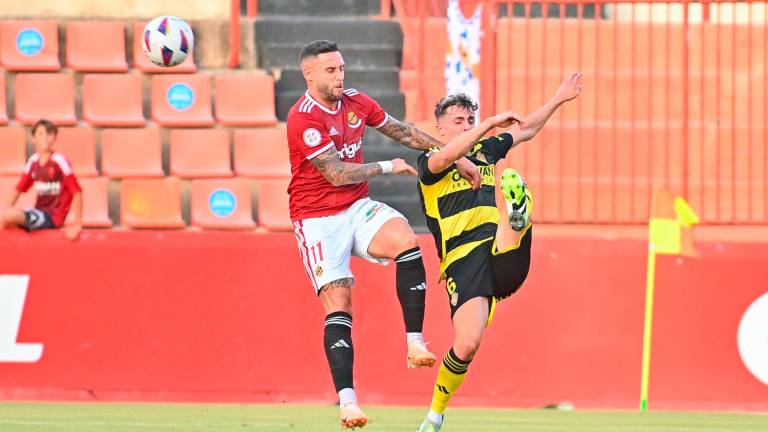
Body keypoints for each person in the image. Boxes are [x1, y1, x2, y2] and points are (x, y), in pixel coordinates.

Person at [287, 39, 482, 429]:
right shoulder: (302, 118)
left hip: (355, 207)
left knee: (407, 243)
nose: (340, 76)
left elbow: (404, 132)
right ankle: (348, 402)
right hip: (316, 219)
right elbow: (336, 172)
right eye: (330, 70)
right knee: (340, 304)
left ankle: (414, 342)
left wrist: (455, 155)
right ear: (309, 74)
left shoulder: (356, 102)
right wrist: (387, 167)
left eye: (341, 68)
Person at [414, 73, 583, 432]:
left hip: (498, 245)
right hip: (462, 259)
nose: (466, 126)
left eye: (470, 120)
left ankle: (519, 213)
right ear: (440, 129)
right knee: (467, 343)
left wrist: (556, 100)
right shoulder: (431, 162)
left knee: (512, 219)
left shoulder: (486, 152)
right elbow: (446, 157)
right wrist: (489, 123)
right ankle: (435, 413)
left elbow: (526, 129)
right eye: (458, 121)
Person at [1, 119, 82, 240]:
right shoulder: (33, 161)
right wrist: (5, 211)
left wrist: (77, 224)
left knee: (9, 215)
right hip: (39, 212)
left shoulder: (59, 161)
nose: (45, 138)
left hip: (53, 217)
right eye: (40, 134)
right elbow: (18, 189)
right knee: (5, 216)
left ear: (54, 137)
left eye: (49, 134)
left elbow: (77, 192)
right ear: (33, 139)